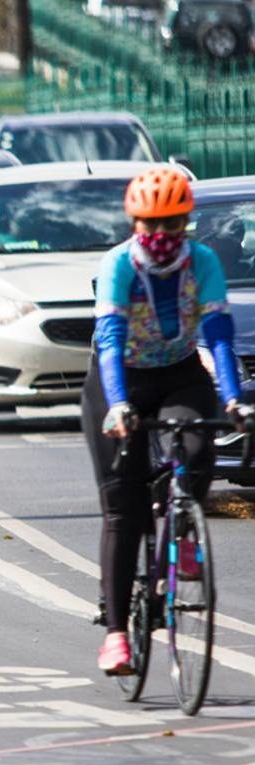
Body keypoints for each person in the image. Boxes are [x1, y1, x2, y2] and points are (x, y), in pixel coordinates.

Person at [82, 167, 246, 675]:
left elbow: (218, 332)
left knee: (198, 451)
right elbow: (109, 339)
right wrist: (117, 404)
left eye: (172, 222)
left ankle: (185, 536)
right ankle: (116, 635)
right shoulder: (119, 265)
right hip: (119, 379)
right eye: (149, 223)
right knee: (124, 508)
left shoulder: (201, 263)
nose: (160, 234)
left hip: (177, 372)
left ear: (186, 221)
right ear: (133, 222)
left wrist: (234, 397)